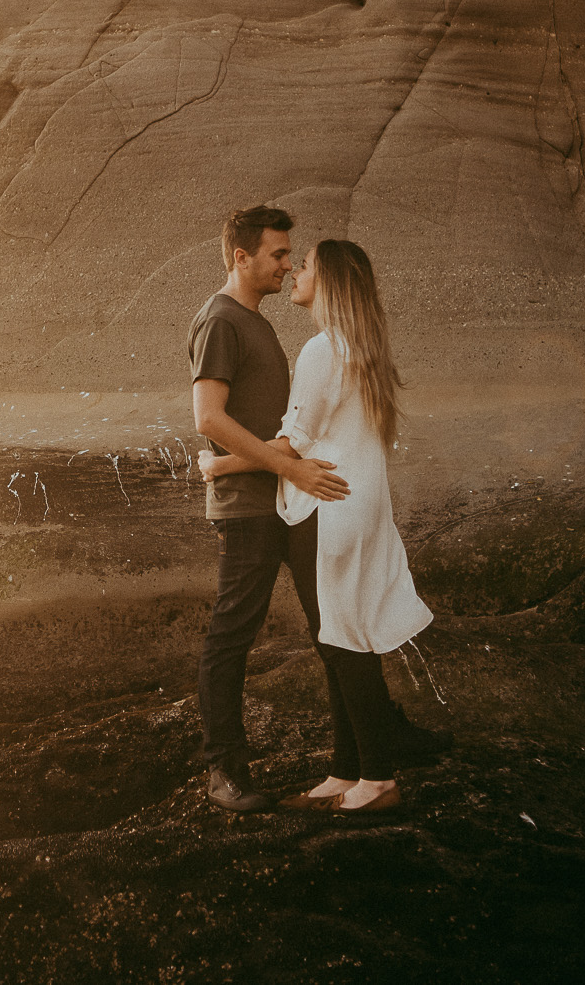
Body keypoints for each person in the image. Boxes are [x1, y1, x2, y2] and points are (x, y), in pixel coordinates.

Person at [200, 238, 451, 812]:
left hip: (325, 509)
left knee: (343, 644)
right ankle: (346, 769)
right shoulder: (362, 349)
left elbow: (293, 442)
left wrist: (219, 462)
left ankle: (378, 779)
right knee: (337, 633)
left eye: (305, 264)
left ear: (329, 281)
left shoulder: (321, 350)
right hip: (355, 505)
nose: (294, 272)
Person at [187, 205, 350, 812]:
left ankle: (371, 743)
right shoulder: (221, 320)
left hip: (287, 499)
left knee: (334, 621)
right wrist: (283, 466)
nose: (287, 263)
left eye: (289, 255)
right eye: (279, 254)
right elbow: (208, 418)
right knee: (233, 636)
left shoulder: (256, 322)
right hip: (248, 509)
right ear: (241, 257)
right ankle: (224, 769)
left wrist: (280, 469)